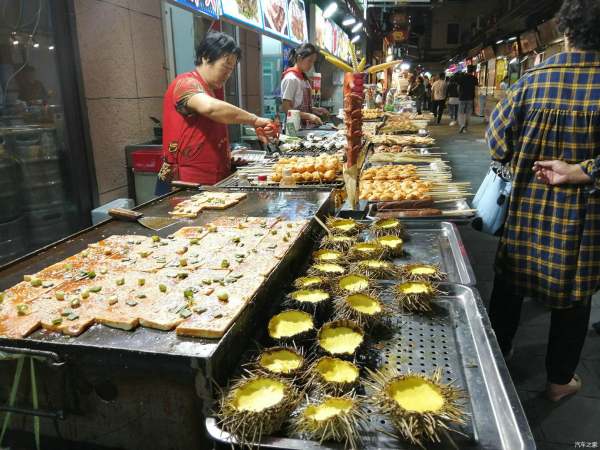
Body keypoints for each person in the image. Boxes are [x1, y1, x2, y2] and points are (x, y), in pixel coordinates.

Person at [486, 0, 600, 402]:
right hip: (583, 222)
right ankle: (558, 381)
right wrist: (584, 170)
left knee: (510, 285)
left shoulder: (533, 80)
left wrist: (525, 152)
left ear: (565, 32)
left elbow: (497, 144)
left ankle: (498, 356)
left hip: (527, 212)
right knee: (573, 296)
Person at [158, 32, 275, 187]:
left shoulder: (209, 90)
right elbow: (211, 108)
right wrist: (254, 120)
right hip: (187, 185)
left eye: (231, 68)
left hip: (211, 181)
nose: (228, 73)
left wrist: (228, 157)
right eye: (225, 66)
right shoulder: (186, 83)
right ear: (206, 57)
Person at [280, 43, 328, 128]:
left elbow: (301, 106)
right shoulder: (291, 79)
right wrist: (309, 116)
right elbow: (286, 108)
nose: (311, 65)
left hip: (305, 128)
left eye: (313, 62)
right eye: (309, 61)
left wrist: (314, 110)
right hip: (294, 129)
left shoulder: (303, 78)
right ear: (299, 58)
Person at [457, 65, 478, 133]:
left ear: (467, 70)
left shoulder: (461, 77)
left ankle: (462, 125)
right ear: (473, 71)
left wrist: (459, 94)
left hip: (462, 97)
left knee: (461, 112)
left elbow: (458, 87)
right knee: (468, 113)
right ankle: (466, 127)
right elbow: (476, 89)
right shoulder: (474, 78)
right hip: (470, 98)